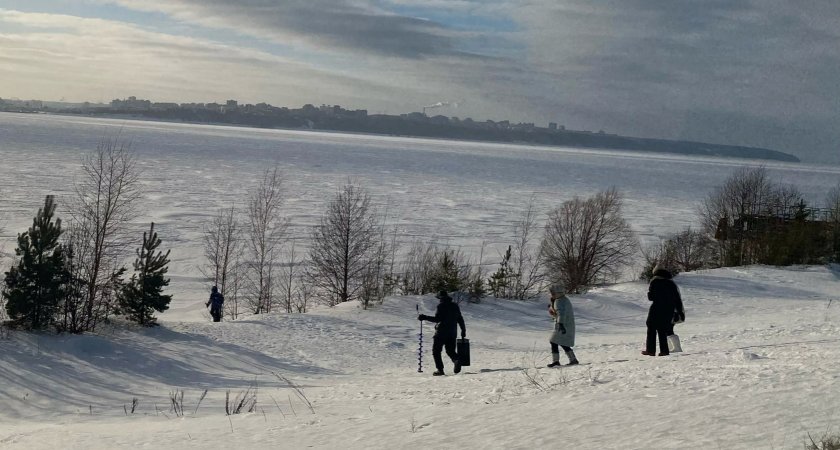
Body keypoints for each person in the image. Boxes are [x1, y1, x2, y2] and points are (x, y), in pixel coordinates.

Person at [418, 290, 466, 376]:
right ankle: (456, 360)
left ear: (440, 297)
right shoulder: (455, 306)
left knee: (436, 351)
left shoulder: (441, 306)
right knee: (450, 351)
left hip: (441, 332)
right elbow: (460, 319)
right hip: (452, 332)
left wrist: (424, 317)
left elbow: (437, 319)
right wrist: (463, 330)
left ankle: (440, 370)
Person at [643, 264, 685, 356]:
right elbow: (677, 298)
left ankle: (650, 350)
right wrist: (680, 312)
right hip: (669, 309)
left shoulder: (654, 281)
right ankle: (664, 351)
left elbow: (651, 297)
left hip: (657, 307)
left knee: (651, 326)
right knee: (662, 329)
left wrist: (649, 294)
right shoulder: (671, 283)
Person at [547, 284, 578, 367]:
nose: (552, 295)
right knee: (562, 342)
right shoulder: (564, 299)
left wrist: (560, 323)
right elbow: (560, 313)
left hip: (563, 325)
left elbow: (561, 314)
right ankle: (572, 359)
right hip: (566, 324)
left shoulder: (559, 301)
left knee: (554, 341)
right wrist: (553, 314)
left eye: (553, 293)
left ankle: (556, 361)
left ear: (558, 293)